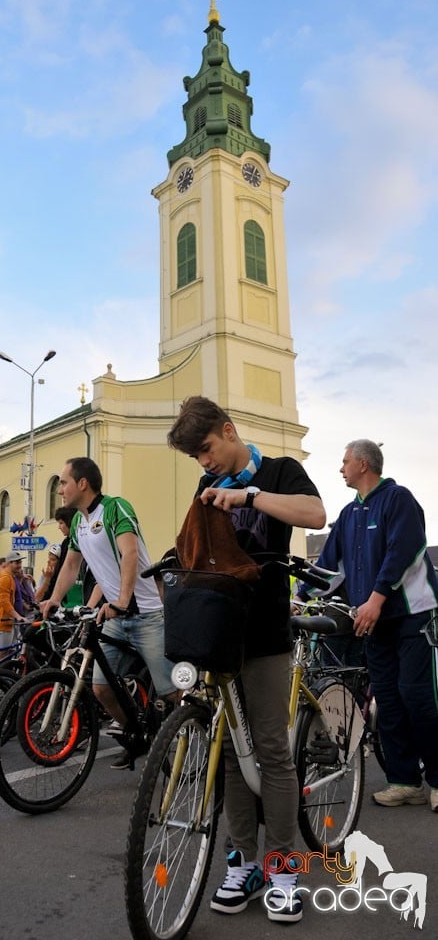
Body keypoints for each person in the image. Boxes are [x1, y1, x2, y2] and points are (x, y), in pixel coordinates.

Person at [167, 396, 326, 925]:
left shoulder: (281, 470)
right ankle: (245, 863)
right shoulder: (204, 484)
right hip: (219, 633)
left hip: (264, 631)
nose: (204, 463)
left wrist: (251, 497)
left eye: (207, 450)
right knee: (233, 753)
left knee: (273, 751)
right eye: (196, 458)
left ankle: (284, 870)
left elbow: (315, 513)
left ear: (229, 431)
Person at [306, 439, 438, 813]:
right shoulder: (348, 514)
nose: (340, 468)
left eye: (345, 461)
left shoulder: (398, 499)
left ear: (364, 464)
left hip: (412, 615)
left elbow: (406, 549)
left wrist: (377, 598)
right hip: (371, 622)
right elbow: (329, 565)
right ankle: (404, 781)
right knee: (390, 702)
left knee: (418, 697)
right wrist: (298, 594)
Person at [40, 457, 176, 770]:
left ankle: (196, 736)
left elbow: (129, 553)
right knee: (101, 688)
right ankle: (137, 734)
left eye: (63, 482)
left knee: (171, 692)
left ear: (82, 483)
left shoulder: (115, 508)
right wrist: (54, 599)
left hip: (147, 616)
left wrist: (123, 599)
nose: (60, 489)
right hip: (115, 617)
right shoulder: (78, 522)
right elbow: (71, 564)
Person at [0, 550, 26, 660]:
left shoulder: (8, 577)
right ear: (9, 563)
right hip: (3, 620)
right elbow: (4, 601)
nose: (20, 565)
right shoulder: (6, 578)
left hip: (5, 620)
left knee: (7, 652)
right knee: (3, 653)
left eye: (20, 562)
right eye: (17, 563)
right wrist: (17, 616)